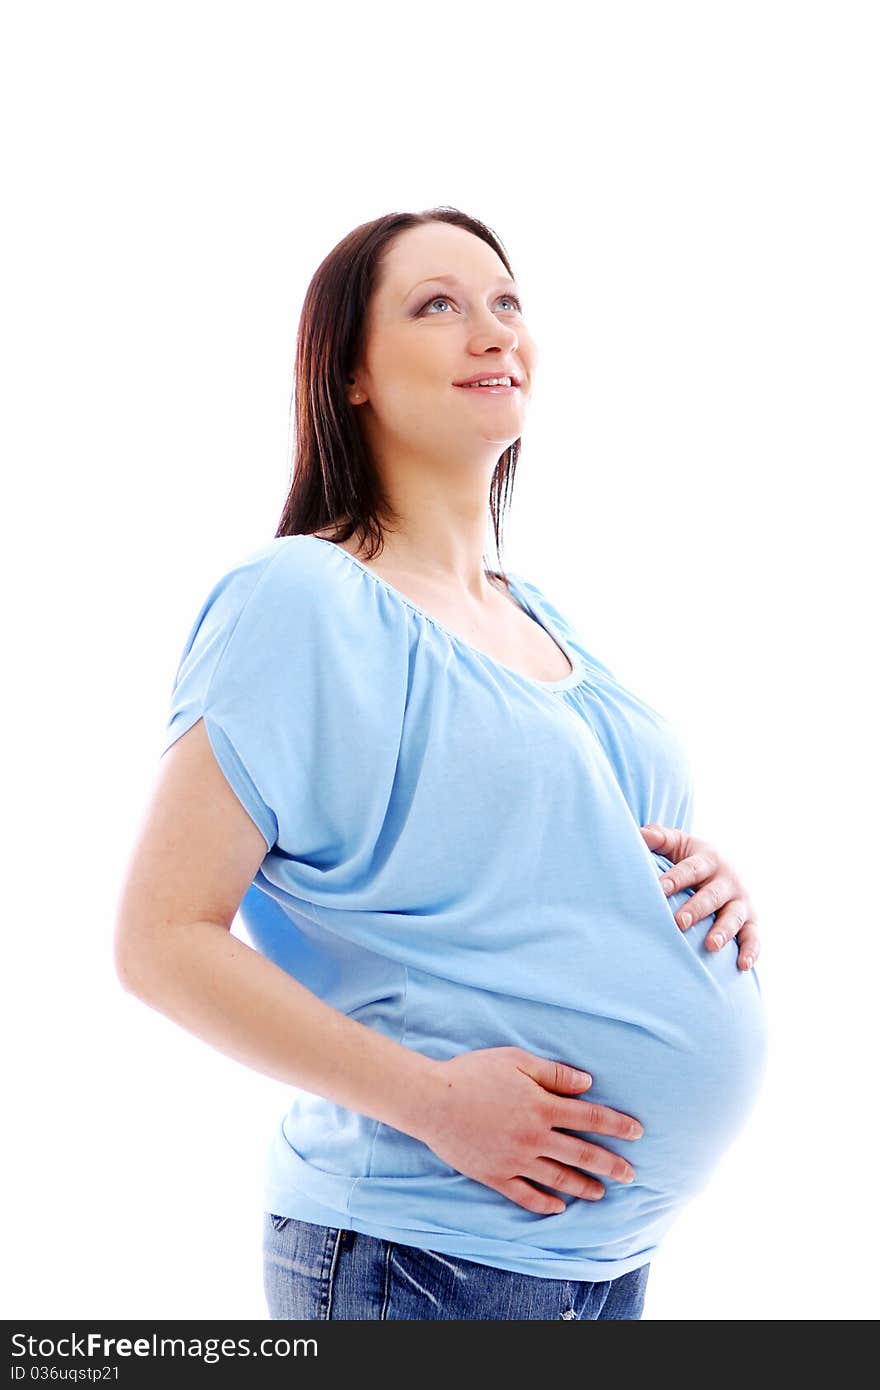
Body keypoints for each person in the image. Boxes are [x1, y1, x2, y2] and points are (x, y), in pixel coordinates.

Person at [114, 207, 767, 1322]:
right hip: (426, 1252)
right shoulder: (300, 599)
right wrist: (432, 1103)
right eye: (438, 305)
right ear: (351, 373)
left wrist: (697, 888)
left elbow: (521, 874)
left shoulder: (536, 616)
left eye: (507, 302)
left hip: (596, 1253)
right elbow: (159, 940)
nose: (492, 330)